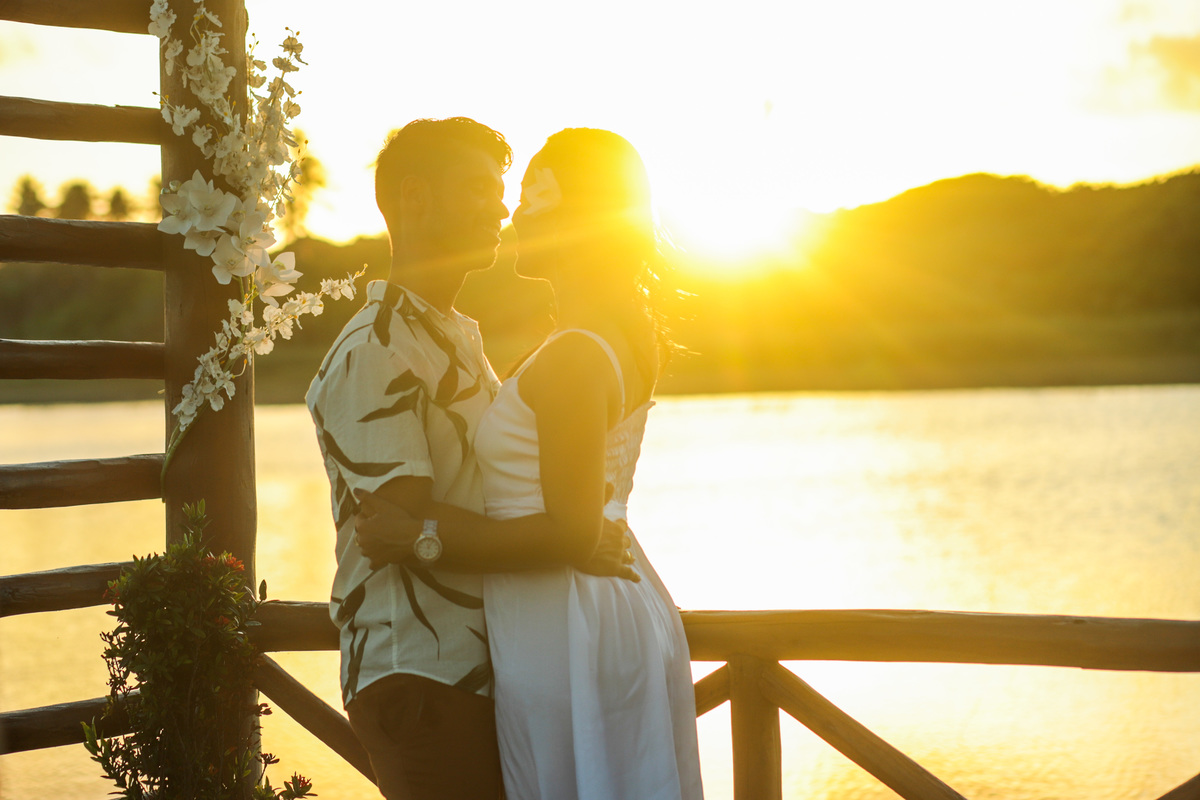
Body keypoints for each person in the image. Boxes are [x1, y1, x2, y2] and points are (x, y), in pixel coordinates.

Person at [355, 128, 704, 800]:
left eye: (536, 196)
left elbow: (572, 532)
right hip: (579, 605)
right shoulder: (602, 335)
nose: (514, 214)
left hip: (570, 618)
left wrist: (421, 536)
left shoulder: (576, 354)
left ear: (582, 218)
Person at [306, 118, 635, 800]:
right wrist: (565, 541)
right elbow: (398, 527)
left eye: (502, 189)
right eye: (480, 189)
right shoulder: (376, 349)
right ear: (417, 199)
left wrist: (569, 529)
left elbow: (488, 495)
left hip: (485, 670)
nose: (501, 207)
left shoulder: (454, 338)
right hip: (421, 675)